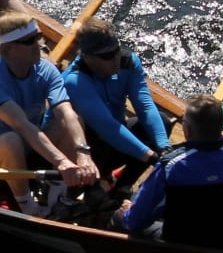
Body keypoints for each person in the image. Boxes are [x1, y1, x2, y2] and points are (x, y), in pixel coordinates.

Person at [117, 95, 223, 252]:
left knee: (120, 216)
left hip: (178, 245)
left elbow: (135, 221)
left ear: (187, 129)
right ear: (221, 126)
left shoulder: (170, 166)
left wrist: (128, 212)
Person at [0, 11, 100, 213]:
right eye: (30, 41)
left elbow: (65, 112)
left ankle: (56, 193)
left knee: (72, 120)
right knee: (13, 138)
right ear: (8, 49)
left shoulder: (46, 70)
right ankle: (27, 206)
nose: (39, 44)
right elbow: (22, 125)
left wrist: (84, 154)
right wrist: (62, 161)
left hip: (31, 154)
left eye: (39, 37)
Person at [61, 18, 171, 189]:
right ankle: (91, 188)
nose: (116, 59)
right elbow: (108, 127)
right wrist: (152, 158)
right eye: (107, 56)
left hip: (113, 140)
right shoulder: (75, 80)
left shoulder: (130, 62)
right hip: (85, 150)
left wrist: (165, 149)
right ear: (88, 57)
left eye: (117, 50)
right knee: (102, 138)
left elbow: (145, 106)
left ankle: (122, 188)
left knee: (163, 122)